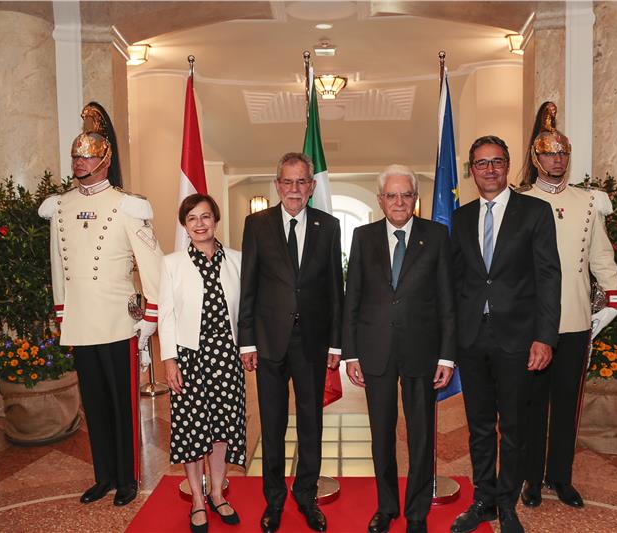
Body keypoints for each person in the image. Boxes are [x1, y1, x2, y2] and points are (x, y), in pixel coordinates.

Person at [38, 124, 162, 507]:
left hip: (117, 321)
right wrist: (62, 313)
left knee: (123, 406)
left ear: (105, 161)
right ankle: (104, 476)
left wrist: (150, 317)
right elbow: (58, 267)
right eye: (76, 156)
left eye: (88, 155)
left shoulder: (127, 205)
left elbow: (153, 265)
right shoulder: (60, 206)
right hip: (80, 322)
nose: (80, 162)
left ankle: (127, 478)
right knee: (94, 406)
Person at [449, 136, 561, 533]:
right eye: (481, 163)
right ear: (472, 170)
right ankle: (483, 500)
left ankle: (507, 503)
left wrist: (545, 337)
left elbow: (549, 276)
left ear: (508, 165)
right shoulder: (461, 218)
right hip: (471, 339)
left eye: (497, 161)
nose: (490, 169)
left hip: (518, 338)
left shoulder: (535, 212)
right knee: (479, 426)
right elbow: (456, 281)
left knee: (513, 427)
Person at [518, 103, 617, 509]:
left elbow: (601, 256)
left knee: (566, 405)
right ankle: (531, 479)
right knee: (532, 406)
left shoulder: (588, 202)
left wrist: (612, 297)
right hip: (531, 323)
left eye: (562, 153)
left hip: (576, 318)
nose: (557, 160)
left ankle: (560, 477)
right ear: (536, 158)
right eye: (549, 154)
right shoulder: (520, 201)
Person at [343, 165, 455, 533]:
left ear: (415, 198)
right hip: (375, 350)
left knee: (421, 435)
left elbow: (447, 300)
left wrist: (447, 355)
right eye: (391, 195)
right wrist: (351, 353)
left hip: (422, 351)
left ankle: (417, 512)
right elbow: (352, 297)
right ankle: (387, 507)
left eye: (406, 194)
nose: (399, 202)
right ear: (380, 200)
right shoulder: (363, 237)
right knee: (381, 435)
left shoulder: (436, 236)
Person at [238, 152, 343, 533]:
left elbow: (336, 288)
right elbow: (248, 285)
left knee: (311, 423)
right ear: (277, 185)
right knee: (273, 424)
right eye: (288, 181)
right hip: (269, 341)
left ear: (312, 187)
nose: (294, 189)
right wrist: (246, 342)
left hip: (313, 343)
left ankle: (306, 495)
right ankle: (275, 499)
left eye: (301, 182)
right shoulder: (257, 224)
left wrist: (336, 344)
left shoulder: (328, 226)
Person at [159, 194, 245, 532]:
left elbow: (245, 311)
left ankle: (218, 494)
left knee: (222, 429)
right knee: (193, 431)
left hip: (227, 356)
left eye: (205, 216)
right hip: (189, 358)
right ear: (185, 225)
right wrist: (169, 360)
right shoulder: (172, 264)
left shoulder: (236, 260)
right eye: (192, 218)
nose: (199, 223)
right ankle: (197, 499)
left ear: (215, 220)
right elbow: (166, 315)